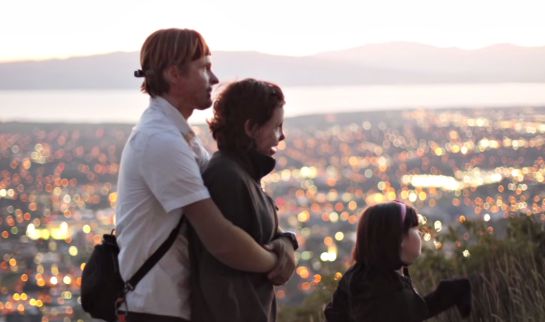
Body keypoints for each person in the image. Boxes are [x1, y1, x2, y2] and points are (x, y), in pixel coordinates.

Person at [115, 29, 295, 322]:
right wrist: (277, 260)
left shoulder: (181, 138)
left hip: (170, 306)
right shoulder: (160, 141)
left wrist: (287, 240)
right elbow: (220, 238)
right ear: (175, 74)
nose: (213, 79)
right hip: (157, 309)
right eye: (204, 67)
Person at [188, 78, 297, 322]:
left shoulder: (243, 174)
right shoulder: (227, 177)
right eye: (276, 127)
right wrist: (276, 258)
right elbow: (225, 273)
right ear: (251, 128)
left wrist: (286, 240)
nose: (281, 137)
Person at [324, 201, 471, 322]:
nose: (419, 233)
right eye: (415, 228)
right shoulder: (389, 294)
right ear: (399, 238)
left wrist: (446, 294)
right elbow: (402, 311)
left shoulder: (359, 275)